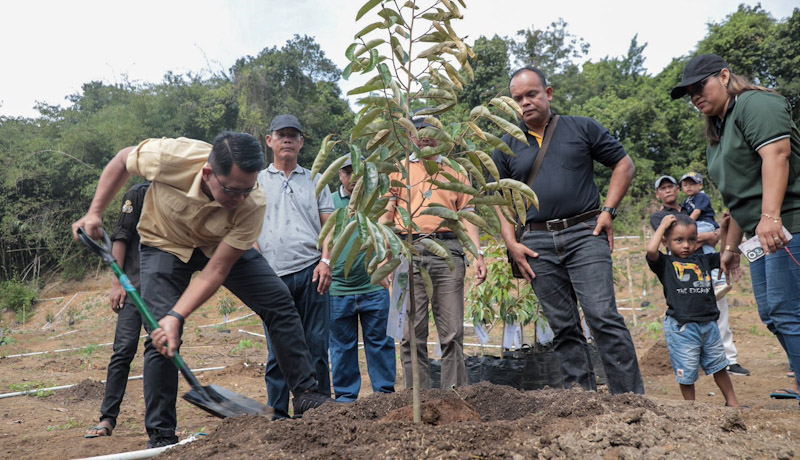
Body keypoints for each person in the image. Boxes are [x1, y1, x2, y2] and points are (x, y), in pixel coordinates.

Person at [72, 132, 330, 448]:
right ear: (208, 174)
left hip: (216, 245)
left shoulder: (253, 200)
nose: (241, 199)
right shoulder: (172, 157)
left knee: (278, 300)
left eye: (247, 190)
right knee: (160, 335)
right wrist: (95, 212)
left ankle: (306, 394)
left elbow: (216, 271)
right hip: (164, 243)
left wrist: (178, 315)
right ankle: (162, 435)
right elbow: (123, 159)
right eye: (233, 190)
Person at [493, 67, 644, 394]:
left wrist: (609, 211)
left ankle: (630, 399)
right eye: (518, 98)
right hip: (536, 244)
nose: (525, 102)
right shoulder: (506, 145)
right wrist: (511, 244)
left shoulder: (581, 127)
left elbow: (624, 164)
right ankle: (582, 400)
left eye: (532, 94)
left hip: (585, 234)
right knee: (563, 326)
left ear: (548, 93)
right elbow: (500, 201)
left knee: (602, 316)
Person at [671, 53, 800, 400]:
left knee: (789, 311)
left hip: (789, 221)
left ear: (725, 76)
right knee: (772, 314)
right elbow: (738, 198)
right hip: (760, 230)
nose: (695, 96)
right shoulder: (721, 125)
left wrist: (771, 216)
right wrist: (729, 249)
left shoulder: (755, 104)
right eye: (689, 93)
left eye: (701, 86)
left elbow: (777, 155)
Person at [384, 110, 487, 390]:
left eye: (432, 130)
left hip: (448, 249)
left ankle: (454, 397)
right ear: (410, 135)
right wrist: (385, 258)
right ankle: (417, 398)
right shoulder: (398, 169)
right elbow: (386, 214)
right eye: (419, 130)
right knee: (409, 334)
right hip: (408, 250)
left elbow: (467, 214)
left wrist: (477, 253)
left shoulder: (456, 170)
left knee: (452, 331)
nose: (426, 135)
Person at [255, 115, 334, 419]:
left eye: (293, 135)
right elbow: (245, 227)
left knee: (316, 345)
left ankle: (320, 413)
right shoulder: (257, 181)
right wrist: (258, 266)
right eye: (281, 134)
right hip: (271, 275)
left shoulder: (316, 178)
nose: (287, 139)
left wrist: (326, 260)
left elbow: (329, 225)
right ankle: (278, 415)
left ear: (302, 142)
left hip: (312, 270)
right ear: (269, 140)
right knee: (278, 352)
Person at [651, 175, 749, 376]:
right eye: (663, 188)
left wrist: (715, 234)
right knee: (691, 314)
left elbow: (712, 233)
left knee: (717, 310)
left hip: (704, 266)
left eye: (671, 186)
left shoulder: (691, 206)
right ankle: (695, 360)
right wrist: (707, 236)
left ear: (678, 189)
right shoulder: (660, 218)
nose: (668, 191)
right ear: (658, 194)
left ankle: (728, 359)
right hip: (681, 273)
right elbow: (703, 235)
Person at [646, 214, 740, 406]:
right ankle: (692, 408)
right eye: (678, 240)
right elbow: (650, 250)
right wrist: (663, 226)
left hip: (709, 326)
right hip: (683, 328)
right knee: (687, 373)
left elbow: (724, 257)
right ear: (666, 241)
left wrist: (723, 230)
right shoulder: (666, 264)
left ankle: (732, 402)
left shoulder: (702, 260)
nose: (686, 245)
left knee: (720, 366)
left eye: (691, 239)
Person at [84, 182, 149, 439]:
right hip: (133, 287)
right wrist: (117, 282)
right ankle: (108, 418)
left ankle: (162, 424)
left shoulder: (180, 192)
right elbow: (121, 238)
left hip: (163, 290)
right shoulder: (138, 193)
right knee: (122, 352)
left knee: (162, 353)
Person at [328, 155, 396, 401]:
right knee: (342, 349)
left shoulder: (376, 202)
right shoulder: (329, 202)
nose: (353, 178)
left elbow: (388, 233)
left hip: (373, 286)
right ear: (340, 174)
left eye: (358, 173)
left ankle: (385, 396)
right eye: (347, 172)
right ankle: (346, 399)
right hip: (337, 289)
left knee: (380, 344)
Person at [678, 171, 731, 300]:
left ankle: (720, 280)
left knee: (708, 252)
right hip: (697, 225)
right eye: (685, 185)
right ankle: (716, 282)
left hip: (703, 224)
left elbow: (696, 212)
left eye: (692, 184)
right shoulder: (687, 200)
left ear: (700, 185)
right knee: (704, 251)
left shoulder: (702, 197)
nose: (688, 187)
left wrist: (686, 226)